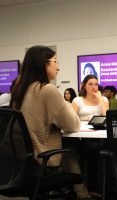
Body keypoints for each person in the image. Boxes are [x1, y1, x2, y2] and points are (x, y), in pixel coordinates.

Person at [9, 45, 92, 199]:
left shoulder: (19, 90)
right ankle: (83, 194)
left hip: (19, 165)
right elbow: (73, 124)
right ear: (43, 63)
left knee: (69, 147)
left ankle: (80, 193)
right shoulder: (47, 90)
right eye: (55, 61)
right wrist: (66, 102)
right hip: (40, 164)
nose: (58, 67)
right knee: (72, 148)